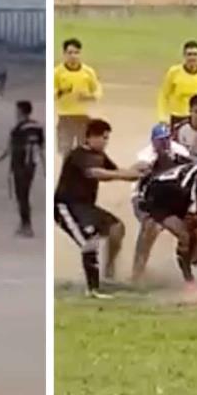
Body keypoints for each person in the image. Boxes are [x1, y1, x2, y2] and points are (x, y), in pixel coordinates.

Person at [55, 119, 141, 298]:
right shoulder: (78, 154)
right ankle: (93, 289)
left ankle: (108, 273)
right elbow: (96, 173)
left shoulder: (100, 155)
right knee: (89, 241)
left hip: (87, 208)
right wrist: (126, 176)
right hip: (66, 207)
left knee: (117, 228)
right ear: (91, 137)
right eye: (104, 138)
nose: (106, 142)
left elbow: (116, 171)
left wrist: (137, 170)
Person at [140, 156, 197, 287]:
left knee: (196, 234)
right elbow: (194, 216)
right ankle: (189, 280)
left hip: (171, 194)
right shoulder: (186, 186)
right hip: (157, 200)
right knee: (185, 235)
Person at [130, 123, 191, 281]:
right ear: (153, 141)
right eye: (160, 140)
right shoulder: (145, 156)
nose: (164, 144)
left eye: (167, 139)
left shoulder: (180, 151)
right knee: (149, 228)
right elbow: (138, 185)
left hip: (171, 197)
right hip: (143, 197)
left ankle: (193, 269)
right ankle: (137, 271)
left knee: (189, 229)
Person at [0, 100, 44, 237]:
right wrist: (44, 167)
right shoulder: (38, 127)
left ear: (20, 111)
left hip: (20, 165)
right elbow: (41, 148)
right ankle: (24, 223)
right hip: (32, 165)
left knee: (22, 196)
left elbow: (10, 149)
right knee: (24, 194)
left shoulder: (17, 129)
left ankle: (26, 225)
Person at [54, 38, 102, 154]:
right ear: (64, 54)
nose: (73, 56)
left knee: (84, 151)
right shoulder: (57, 72)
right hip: (65, 117)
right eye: (70, 53)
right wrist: (61, 91)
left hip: (83, 117)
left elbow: (97, 90)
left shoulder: (88, 72)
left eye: (76, 52)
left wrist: (89, 96)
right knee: (66, 151)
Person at [157, 41, 197, 129]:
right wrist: (163, 117)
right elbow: (164, 95)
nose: (192, 57)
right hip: (178, 117)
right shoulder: (174, 72)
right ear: (184, 56)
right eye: (189, 54)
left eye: (195, 54)